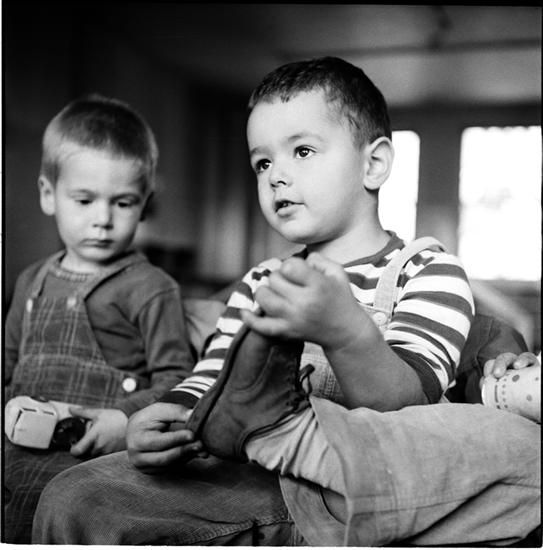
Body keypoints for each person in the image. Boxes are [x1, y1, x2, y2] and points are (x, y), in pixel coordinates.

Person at [32, 59, 540, 546]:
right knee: (73, 497)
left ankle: (288, 433)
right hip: (254, 479)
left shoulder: (427, 270)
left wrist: (345, 331)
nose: (276, 175)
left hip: (359, 490)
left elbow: (411, 407)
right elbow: (211, 382)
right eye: (262, 162)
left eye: (302, 151)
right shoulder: (262, 281)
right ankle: (272, 433)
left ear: (374, 164)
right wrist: (163, 418)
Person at [3, 94, 194, 543]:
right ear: (48, 194)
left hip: (95, 474)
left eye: (123, 203)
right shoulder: (30, 280)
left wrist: (124, 420)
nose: (103, 219)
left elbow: (179, 380)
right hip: (12, 460)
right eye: (85, 200)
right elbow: (7, 365)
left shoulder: (153, 288)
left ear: (145, 203)